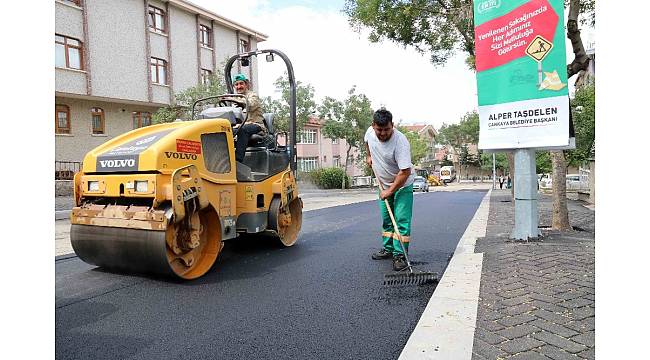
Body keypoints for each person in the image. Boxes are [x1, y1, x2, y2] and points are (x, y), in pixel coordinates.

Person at [365, 108, 415, 272]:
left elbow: (405, 172)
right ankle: (388, 249)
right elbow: (367, 141)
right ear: (373, 126)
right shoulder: (370, 133)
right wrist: (369, 156)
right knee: (387, 220)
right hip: (384, 184)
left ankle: (399, 254)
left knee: (400, 220)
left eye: (387, 129)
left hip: (402, 185)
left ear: (392, 125)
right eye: (379, 130)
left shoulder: (400, 142)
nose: (383, 133)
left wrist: (390, 191)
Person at [229, 73, 266, 163]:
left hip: (256, 125)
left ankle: (237, 161)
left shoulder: (252, 96)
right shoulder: (235, 99)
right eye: (236, 84)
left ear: (246, 84)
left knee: (243, 129)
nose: (239, 86)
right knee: (223, 131)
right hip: (240, 125)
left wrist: (233, 99)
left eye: (241, 83)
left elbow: (250, 105)